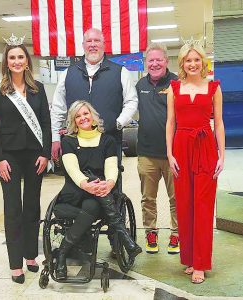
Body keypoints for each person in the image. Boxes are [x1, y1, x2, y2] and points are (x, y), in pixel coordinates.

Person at [51, 27, 138, 254]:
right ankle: (80, 237)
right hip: (75, 144)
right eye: (88, 41)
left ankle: (116, 240)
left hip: (109, 141)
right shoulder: (68, 73)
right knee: (77, 184)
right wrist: (54, 138)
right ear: (83, 45)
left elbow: (131, 102)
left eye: (96, 40)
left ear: (104, 44)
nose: (92, 44)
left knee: (111, 187)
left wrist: (117, 124)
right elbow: (58, 107)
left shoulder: (120, 72)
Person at [54, 100, 142, 280]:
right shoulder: (69, 141)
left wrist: (109, 183)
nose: (82, 118)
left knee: (93, 205)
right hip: (76, 190)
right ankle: (126, 240)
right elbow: (72, 169)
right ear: (73, 121)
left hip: (101, 191)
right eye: (77, 116)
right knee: (92, 188)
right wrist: (87, 184)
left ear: (93, 116)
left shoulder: (107, 140)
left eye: (85, 114)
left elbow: (111, 167)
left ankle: (62, 253)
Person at [0, 34, 51, 284]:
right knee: (13, 208)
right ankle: (16, 263)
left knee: (32, 207)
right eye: (11, 57)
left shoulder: (38, 89)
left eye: (20, 57)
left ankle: (30, 255)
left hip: (35, 156)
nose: (16, 61)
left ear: (27, 61)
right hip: (10, 157)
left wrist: (46, 153)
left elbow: (45, 123)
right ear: (6, 62)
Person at [166, 39, 225, 284]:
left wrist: (222, 154)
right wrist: (169, 154)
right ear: (182, 63)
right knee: (185, 205)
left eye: (196, 59)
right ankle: (189, 259)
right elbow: (170, 123)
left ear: (203, 62)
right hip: (180, 147)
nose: (192, 64)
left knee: (202, 205)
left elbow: (219, 123)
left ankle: (200, 264)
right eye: (188, 60)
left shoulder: (214, 88)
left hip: (205, 147)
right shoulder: (174, 88)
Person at [136, 43, 179, 255]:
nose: (154, 64)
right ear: (145, 63)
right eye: (150, 60)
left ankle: (176, 234)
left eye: (158, 60)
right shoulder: (139, 85)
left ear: (166, 61)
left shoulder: (176, 83)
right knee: (148, 198)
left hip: (174, 154)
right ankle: (150, 232)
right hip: (146, 153)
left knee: (176, 198)